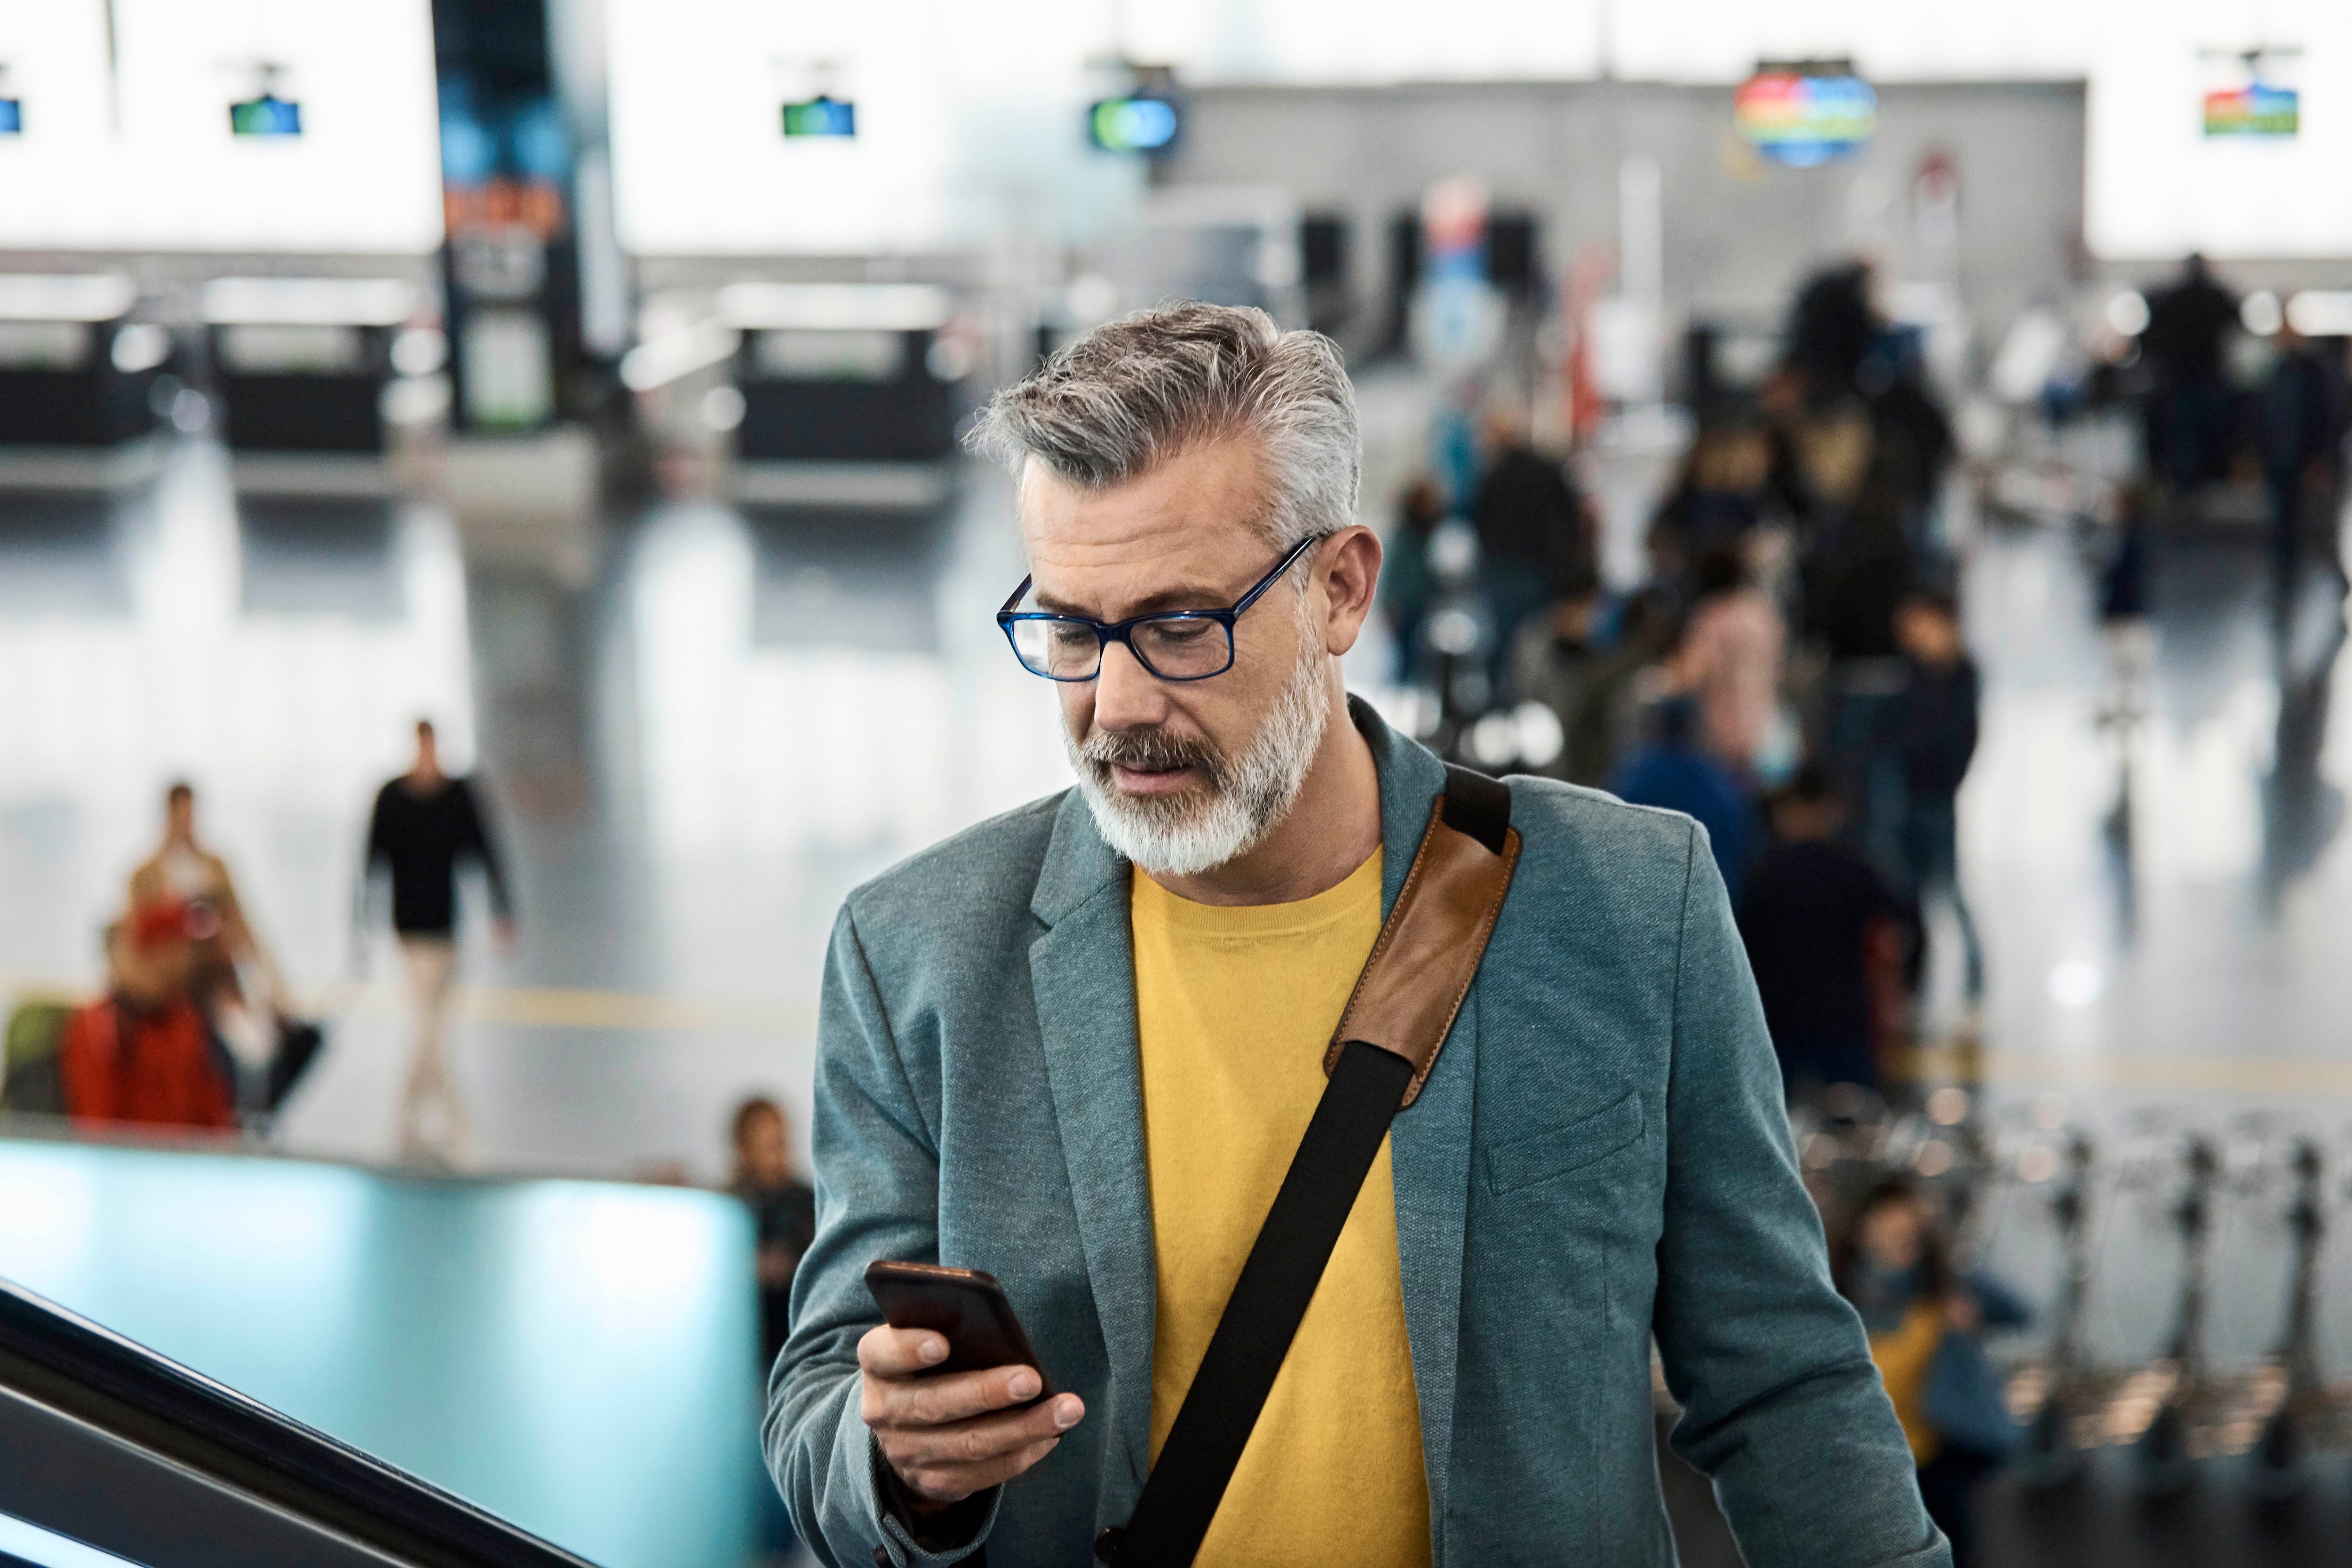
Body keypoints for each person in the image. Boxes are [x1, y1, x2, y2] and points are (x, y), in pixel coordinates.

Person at [767, 302, 1945, 1568]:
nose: (1116, 704)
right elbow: (817, 1408)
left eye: (1176, 627)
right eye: (1069, 629)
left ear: (1339, 589)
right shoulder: (919, 958)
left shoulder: (1625, 903)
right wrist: (898, 1462)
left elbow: (1781, 1378)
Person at [1831, 1178, 2031, 1568]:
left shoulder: (1941, 1287)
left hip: (1933, 1461)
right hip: (1862, 1469)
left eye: (1912, 1235)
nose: (1902, 1246)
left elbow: (2020, 1312)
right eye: (1891, 1233)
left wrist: (1964, 1289)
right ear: (1861, 1231)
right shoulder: (1838, 1295)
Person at [356, 720, 514, 1166]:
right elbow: (370, 861)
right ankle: (451, 1127)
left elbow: (485, 851)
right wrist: (360, 926)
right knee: (432, 1031)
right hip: (410, 929)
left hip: (447, 928)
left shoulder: (458, 796)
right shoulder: (391, 798)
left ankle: (410, 1123)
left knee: (433, 1029)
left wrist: (503, 910)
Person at [1739, 766, 1917, 1096]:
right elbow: (1908, 923)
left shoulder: (1765, 874)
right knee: (1853, 1121)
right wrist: (1905, 988)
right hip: (1844, 1023)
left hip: (1778, 1023)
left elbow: (1740, 949)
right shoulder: (1856, 870)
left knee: (1783, 1124)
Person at [57, 901, 237, 1131]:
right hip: (126, 1160)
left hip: (188, 1161)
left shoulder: (189, 1020)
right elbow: (98, 1126)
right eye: (157, 951)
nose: (174, 961)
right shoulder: (99, 1025)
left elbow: (214, 1119)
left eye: (176, 949)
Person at [1890, 592, 1983, 1003]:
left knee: (1950, 895)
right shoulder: (1909, 673)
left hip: (1938, 801)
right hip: (1907, 798)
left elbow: (1961, 739)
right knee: (1909, 900)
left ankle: (1974, 987)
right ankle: (1914, 988)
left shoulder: (1961, 675)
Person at [1469, 403, 1593, 688]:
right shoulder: (1547, 470)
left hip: (1502, 572)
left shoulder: (1491, 477)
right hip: (1542, 570)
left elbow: (1479, 524)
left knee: (1503, 647)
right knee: (1543, 644)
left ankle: (1503, 708)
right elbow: (1571, 519)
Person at [1607, 693, 1756, 905]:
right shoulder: (1714, 780)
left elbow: (1611, 832)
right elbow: (1741, 839)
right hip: (1709, 900)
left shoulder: (1636, 775)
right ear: (1692, 727)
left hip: (1644, 901)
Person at [1673, 545, 1785, 777]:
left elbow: (1690, 674)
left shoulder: (1711, 618)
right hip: (1768, 731)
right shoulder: (1762, 615)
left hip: (1725, 738)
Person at [2138, 254, 2241, 493]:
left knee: (2184, 446)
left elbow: (2148, 339)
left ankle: (2185, 489)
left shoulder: (2171, 299)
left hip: (2181, 385)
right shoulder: (2216, 298)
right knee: (2207, 442)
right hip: (2205, 385)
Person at [731, 1096, 818, 1371]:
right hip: (744, 1343)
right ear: (744, 1148)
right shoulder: (730, 1206)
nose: (777, 1155)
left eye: (780, 1144)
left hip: (797, 1342)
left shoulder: (807, 1202)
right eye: (767, 1146)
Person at [1378, 475, 1444, 685]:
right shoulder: (1405, 539)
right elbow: (1392, 577)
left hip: (1422, 605)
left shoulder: (1427, 537)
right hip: (1404, 607)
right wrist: (1390, 606)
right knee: (1405, 657)